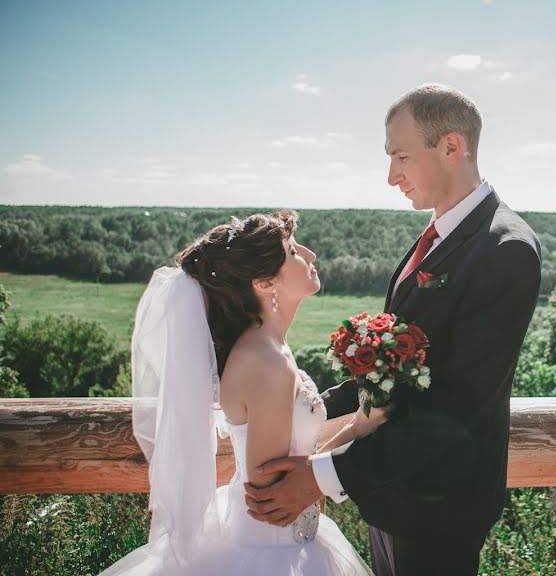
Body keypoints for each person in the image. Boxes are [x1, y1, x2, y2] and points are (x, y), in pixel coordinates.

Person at [244, 85, 543, 575]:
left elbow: (456, 409)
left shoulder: (504, 250)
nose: (390, 177)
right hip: (389, 497)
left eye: (401, 157)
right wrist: (303, 409)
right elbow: (391, 375)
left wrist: (321, 477)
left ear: (451, 147)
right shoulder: (438, 236)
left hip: (439, 509)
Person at [100, 210, 383, 575]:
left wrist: (361, 417)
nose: (310, 254)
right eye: (294, 252)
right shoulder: (266, 361)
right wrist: (357, 428)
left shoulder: (269, 348)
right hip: (271, 552)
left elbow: (294, 447)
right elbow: (270, 488)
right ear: (265, 282)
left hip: (283, 543)